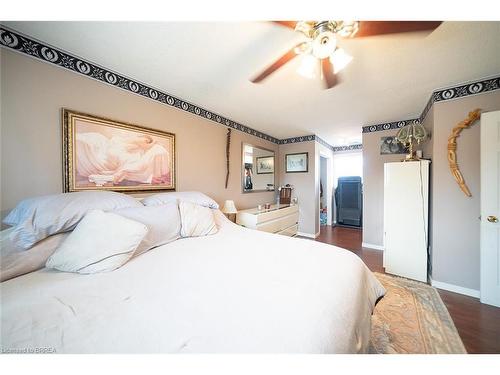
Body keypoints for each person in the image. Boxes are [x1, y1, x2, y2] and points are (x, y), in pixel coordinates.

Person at [75, 131, 170, 186]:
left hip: (105, 159)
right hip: (103, 148)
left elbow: (133, 168)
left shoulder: (134, 155)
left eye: (148, 143)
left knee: (83, 142)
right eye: (145, 140)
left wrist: (148, 178)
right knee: (88, 140)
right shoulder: (119, 140)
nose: (146, 143)